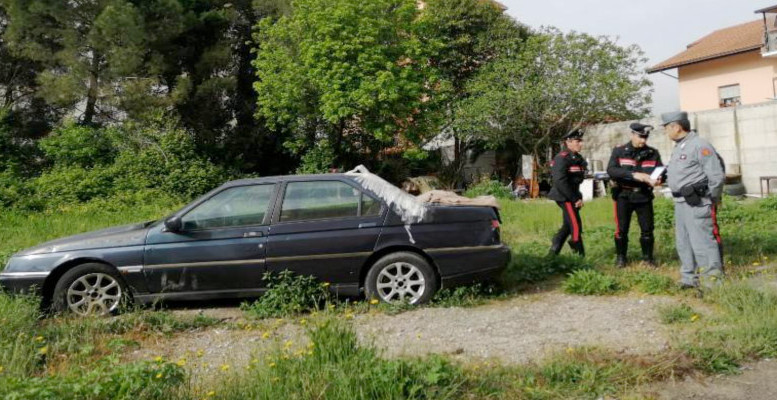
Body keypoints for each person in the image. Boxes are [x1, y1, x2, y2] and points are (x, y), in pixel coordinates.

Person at [662, 111, 725, 289]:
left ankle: (712, 283)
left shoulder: (700, 145)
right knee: (684, 243)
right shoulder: (680, 146)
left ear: (676, 126)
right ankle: (689, 279)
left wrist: (711, 198)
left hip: (697, 202)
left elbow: (716, 176)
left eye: (667, 128)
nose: (666, 132)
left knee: (703, 243)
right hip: (680, 203)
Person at [606, 123, 663, 268]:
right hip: (623, 195)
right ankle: (621, 258)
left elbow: (661, 171)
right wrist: (633, 175)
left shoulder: (653, 153)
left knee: (647, 229)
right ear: (632, 135)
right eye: (640, 137)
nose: (643, 140)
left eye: (645, 137)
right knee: (622, 229)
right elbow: (612, 170)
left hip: (643, 196)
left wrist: (660, 179)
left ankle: (648, 259)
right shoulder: (619, 151)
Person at [548, 129, 587, 256]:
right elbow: (560, 181)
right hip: (564, 196)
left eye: (581, 141)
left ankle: (554, 251)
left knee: (567, 225)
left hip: (573, 195)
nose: (580, 144)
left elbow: (577, 180)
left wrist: (578, 197)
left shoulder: (578, 158)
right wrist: (575, 199)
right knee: (576, 226)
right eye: (577, 141)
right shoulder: (561, 158)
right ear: (568, 142)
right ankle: (579, 256)